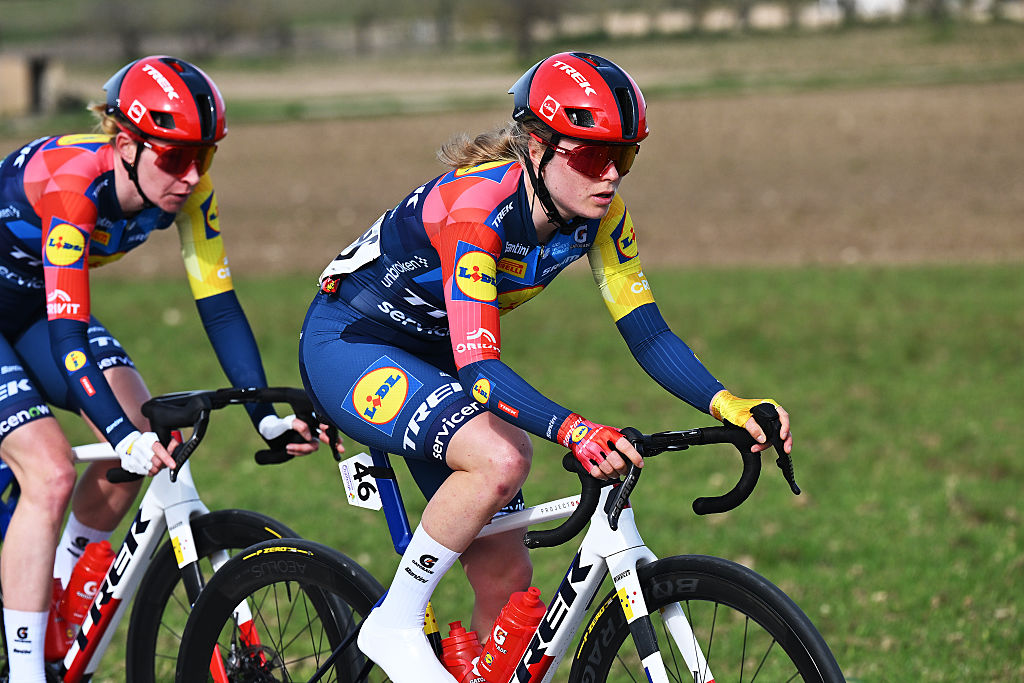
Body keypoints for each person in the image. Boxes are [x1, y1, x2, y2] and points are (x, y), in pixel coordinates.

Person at [299, 51, 793, 683]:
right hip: (352, 344)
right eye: (591, 155)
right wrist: (575, 430)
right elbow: (481, 370)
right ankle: (395, 620)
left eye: (626, 155)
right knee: (502, 458)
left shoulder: (600, 216)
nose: (611, 174)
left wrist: (729, 404)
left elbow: (649, 334)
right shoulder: (475, 211)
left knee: (508, 581)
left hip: (435, 357)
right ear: (536, 145)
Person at [0, 55, 323, 682]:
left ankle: (65, 585)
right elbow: (70, 334)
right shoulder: (74, 190)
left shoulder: (189, 190)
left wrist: (265, 417)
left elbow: (221, 309)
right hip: (46, 316)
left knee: (155, 432)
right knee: (50, 470)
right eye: (175, 157)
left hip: (32, 309)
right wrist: (122, 439)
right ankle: (24, 672)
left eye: (205, 155)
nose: (191, 174)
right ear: (125, 142)